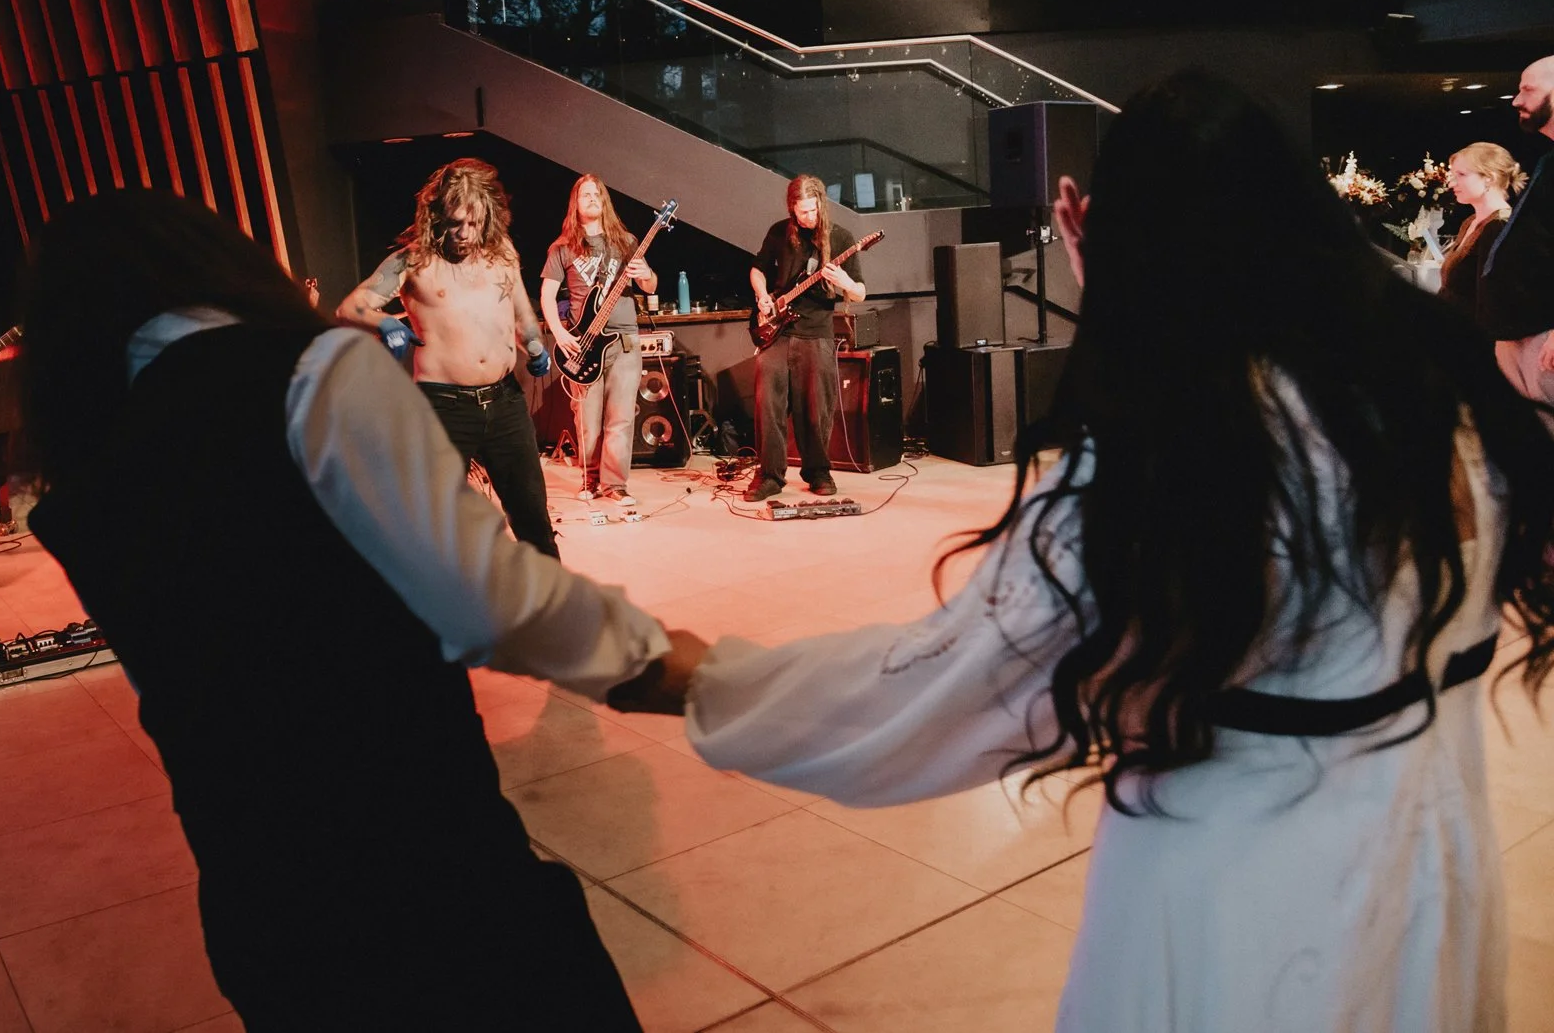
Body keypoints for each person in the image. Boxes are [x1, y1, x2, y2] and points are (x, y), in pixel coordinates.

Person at [621, 72, 1554, 1031]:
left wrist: (710, 682)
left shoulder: (1185, 457)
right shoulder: (1437, 392)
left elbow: (951, 688)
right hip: (1432, 877)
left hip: (1251, 918)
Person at [18, 189, 704, 1032]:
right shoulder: (310, 375)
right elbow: (495, 598)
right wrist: (683, 670)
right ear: (208, 256)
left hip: (259, 903)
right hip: (428, 868)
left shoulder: (82, 490)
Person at [335, 158, 561, 558]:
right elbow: (350, 307)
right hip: (444, 407)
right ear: (437, 215)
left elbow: (521, 312)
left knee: (533, 521)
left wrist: (535, 344)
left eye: (474, 223)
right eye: (456, 222)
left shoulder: (502, 253)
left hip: (505, 402)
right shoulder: (413, 261)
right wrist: (383, 322)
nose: (465, 233)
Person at [539, 175, 659, 505]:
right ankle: (590, 479)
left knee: (620, 418)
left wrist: (645, 276)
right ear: (575, 204)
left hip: (624, 342)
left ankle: (615, 485)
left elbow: (651, 286)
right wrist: (560, 334)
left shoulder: (626, 241)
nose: (592, 198)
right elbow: (547, 296)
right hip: (584, 343)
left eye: (597, 194)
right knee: (588, 421)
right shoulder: (562, 248)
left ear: (604, 201)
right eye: (585, 195)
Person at [745, 175, 865, 502]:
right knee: (768, 406)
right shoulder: (778, 232)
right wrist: (762, 297)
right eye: (802, 212)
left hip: (816, 333)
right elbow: (757, 269)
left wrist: (844, 282)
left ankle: (817, 472)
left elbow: (860, 293)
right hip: (777, 332)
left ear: (821, 205)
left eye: (813, 211)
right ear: (792, 209)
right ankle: (769, 476)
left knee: (816, 409)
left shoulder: (841, 238)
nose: (809, 218)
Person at [1482, 54, 1554, 404]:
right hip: (1523, 332)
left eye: (1528, 89)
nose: (1516, 100)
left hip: (1544, 337)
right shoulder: (1549, 160)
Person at [1436, 141, 1524, 327]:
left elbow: (1493, 300)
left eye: (1461, 175)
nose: (1451, 182)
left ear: (1489, 178)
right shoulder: (1470, 222)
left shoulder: (1499, 225)